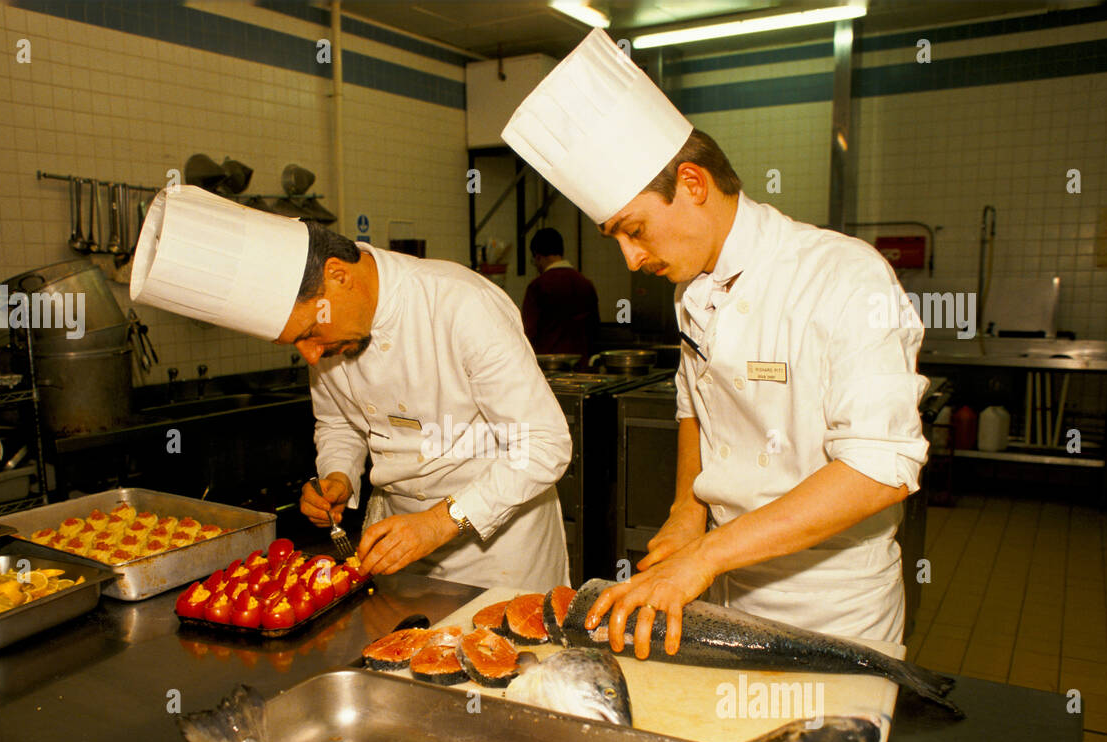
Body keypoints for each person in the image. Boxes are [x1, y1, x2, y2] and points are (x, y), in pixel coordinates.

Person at [503, 29, 929, 655]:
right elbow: (694, 407)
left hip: (831, 608)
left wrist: (704, 556)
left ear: (694, 184)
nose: (629, 257)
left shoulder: (844, 274)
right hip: (720, 587)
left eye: (635, 230)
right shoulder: (693, 288)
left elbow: (878, 469)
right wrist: (686, 512)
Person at [130, 185, 571, 592]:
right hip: (392, 543)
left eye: (308, 332)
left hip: (498, 552)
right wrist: (338, 475)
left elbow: (544, 444)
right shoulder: (329, 336)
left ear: (338, 275)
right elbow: (338, 421)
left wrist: (439, 522)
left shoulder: (460, 304)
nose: (310, 355)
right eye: (295, 342)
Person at [521, 227, 597, 368]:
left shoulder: (538, 286)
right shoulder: (585, 283)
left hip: (549, 365)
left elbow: (528, 332)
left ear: (538, 257)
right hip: (581, 365)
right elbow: (593, 330)